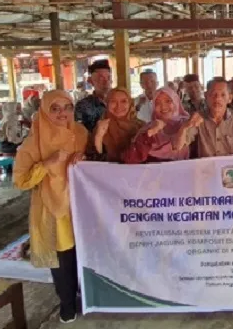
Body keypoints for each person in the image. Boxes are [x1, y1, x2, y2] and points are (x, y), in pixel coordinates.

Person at [13, 90, 88, 324]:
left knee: (82, 254)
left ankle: (84, 296)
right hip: (53, 207)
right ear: (45, 111)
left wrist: (83, 157)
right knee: (62, 258)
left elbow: (91, 160)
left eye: (67, 107)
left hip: (80, 204)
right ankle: (67, 304)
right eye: (55, 108)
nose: (62, 113)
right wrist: (46, 164)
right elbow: (21, 181)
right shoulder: (32, 142)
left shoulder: (80, 133)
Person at [174, 78, 233, 157]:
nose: (217, 99)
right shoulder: (199, 118)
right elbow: (177, 146)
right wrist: (185, 126)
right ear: (206, 96)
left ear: (229, 98)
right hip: (206, 165)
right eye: (213, 94)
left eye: (223, 95)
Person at [122, 87, 190, 163]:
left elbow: (178, 146)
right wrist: (151, 131)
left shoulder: (188, 123)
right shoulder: (148, 127)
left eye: (168, 101)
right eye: (157, 103)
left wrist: (183, 128)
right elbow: (131, 157)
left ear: (176, 102)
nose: (163, 106)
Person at [90, 87, 142, 163]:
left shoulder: (141, 127)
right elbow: (94, 161)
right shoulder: (101, 126)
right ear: (107, 104)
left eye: (124, 101)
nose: (118, 106)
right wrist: (98, 137)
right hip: (108, 170)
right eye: (113, 101)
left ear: (130, 103)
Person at [74, 59, 112, 133]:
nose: (106, 82)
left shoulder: (119, 102)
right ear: (90, 81)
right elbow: (78, 133)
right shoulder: (82, 106)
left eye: (108, 78)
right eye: (100, 78)